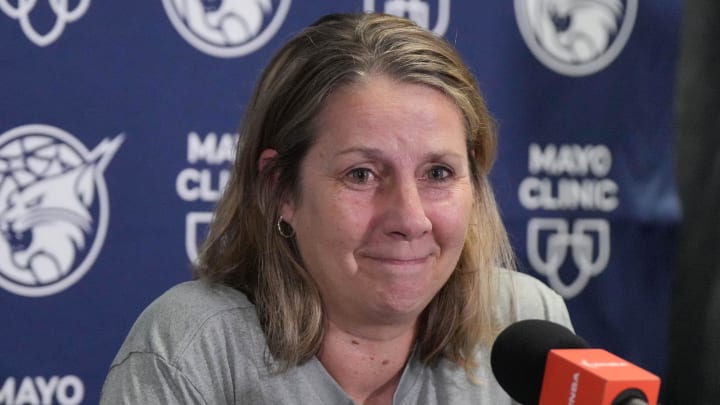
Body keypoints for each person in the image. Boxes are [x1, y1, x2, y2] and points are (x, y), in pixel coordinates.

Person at [100, 12, 572, 404]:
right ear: (280, 188)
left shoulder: (522, 321)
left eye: (438, 174)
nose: (409, 219)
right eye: (361, 175)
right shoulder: (192, 348)